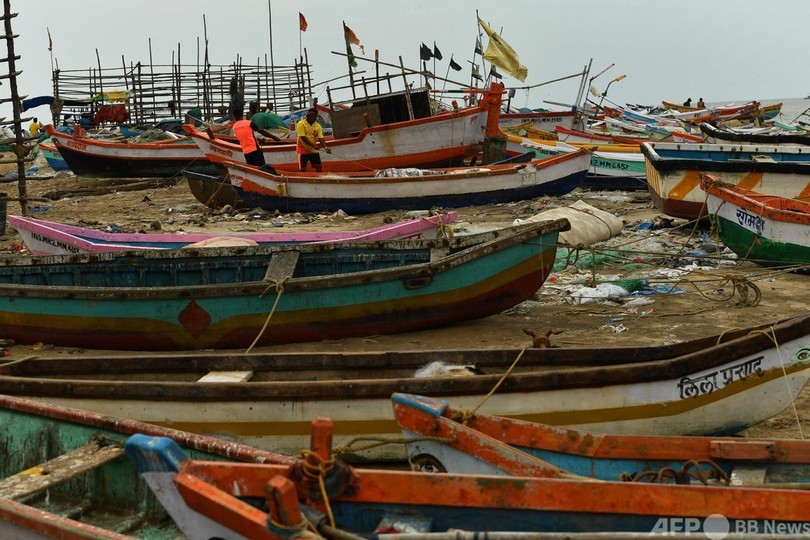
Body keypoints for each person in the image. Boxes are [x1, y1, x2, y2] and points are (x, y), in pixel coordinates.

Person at [296, 108, 330, 172]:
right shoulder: (301, 123)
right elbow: (302, 137)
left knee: (318, 166)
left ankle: (319, 177)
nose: (308, 117)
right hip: (302, 149)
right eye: (308, 115)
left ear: (315, 116)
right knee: (303, 169)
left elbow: (321, 138)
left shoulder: (318, 126)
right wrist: (313, 145)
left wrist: (326, 147)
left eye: (311, 116)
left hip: (313, 150)